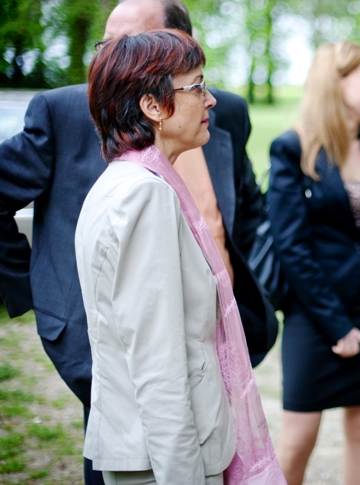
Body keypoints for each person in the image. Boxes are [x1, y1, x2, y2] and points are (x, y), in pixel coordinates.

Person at [0, 0, 274, 485]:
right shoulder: (138, 188)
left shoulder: (177, 144)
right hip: (147, 420)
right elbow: (158, 366)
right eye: (107, 46)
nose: (112, 60)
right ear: (151, 102)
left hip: (197, 381)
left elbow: (248, 212)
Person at [75, 29, 283, 485]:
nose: (210, 100)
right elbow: (159, 366)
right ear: (153, 106)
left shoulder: (124, 183)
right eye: (197, 86)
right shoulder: (143, 196)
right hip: (164, 462)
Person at [267, 41, 360, 485]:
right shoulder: (291, 148)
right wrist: (336, 327)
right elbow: (293, 248)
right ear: (337, 82)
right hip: (314, 315)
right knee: (297, 440)